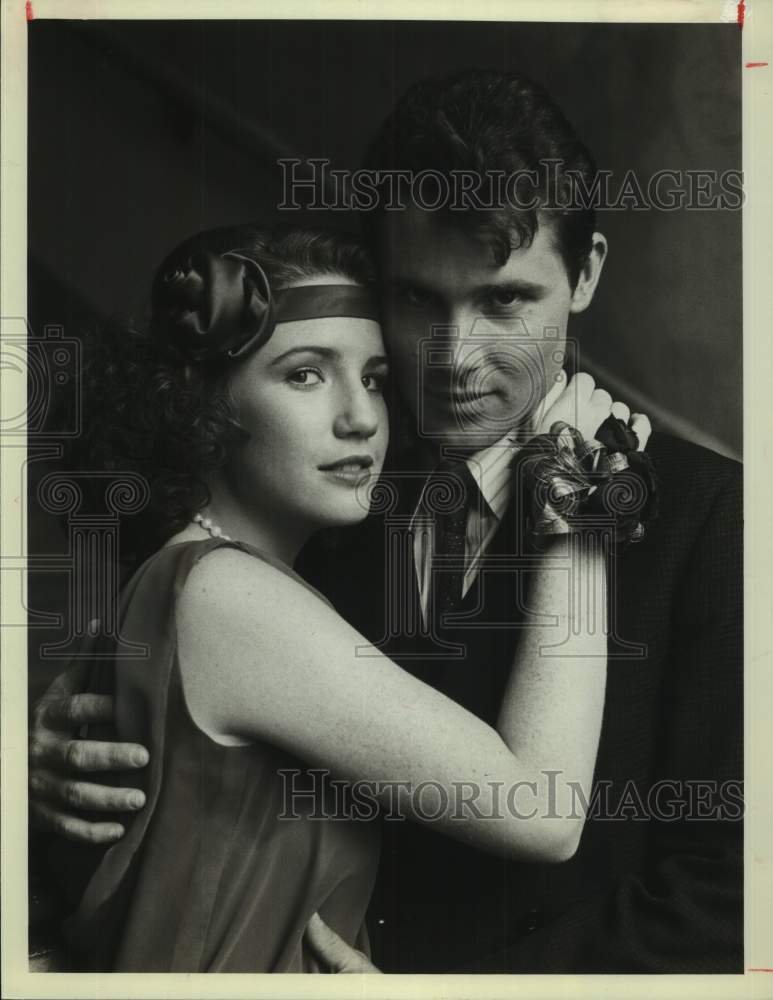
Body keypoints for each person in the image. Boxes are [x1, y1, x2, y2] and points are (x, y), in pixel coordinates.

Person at [30, 68, 741, 973]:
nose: (453, 357)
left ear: (586, 272)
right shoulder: (319, 483)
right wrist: (42, 756)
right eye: (416, 299)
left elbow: (733, 894)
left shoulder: (716, 523)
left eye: (504, 300)